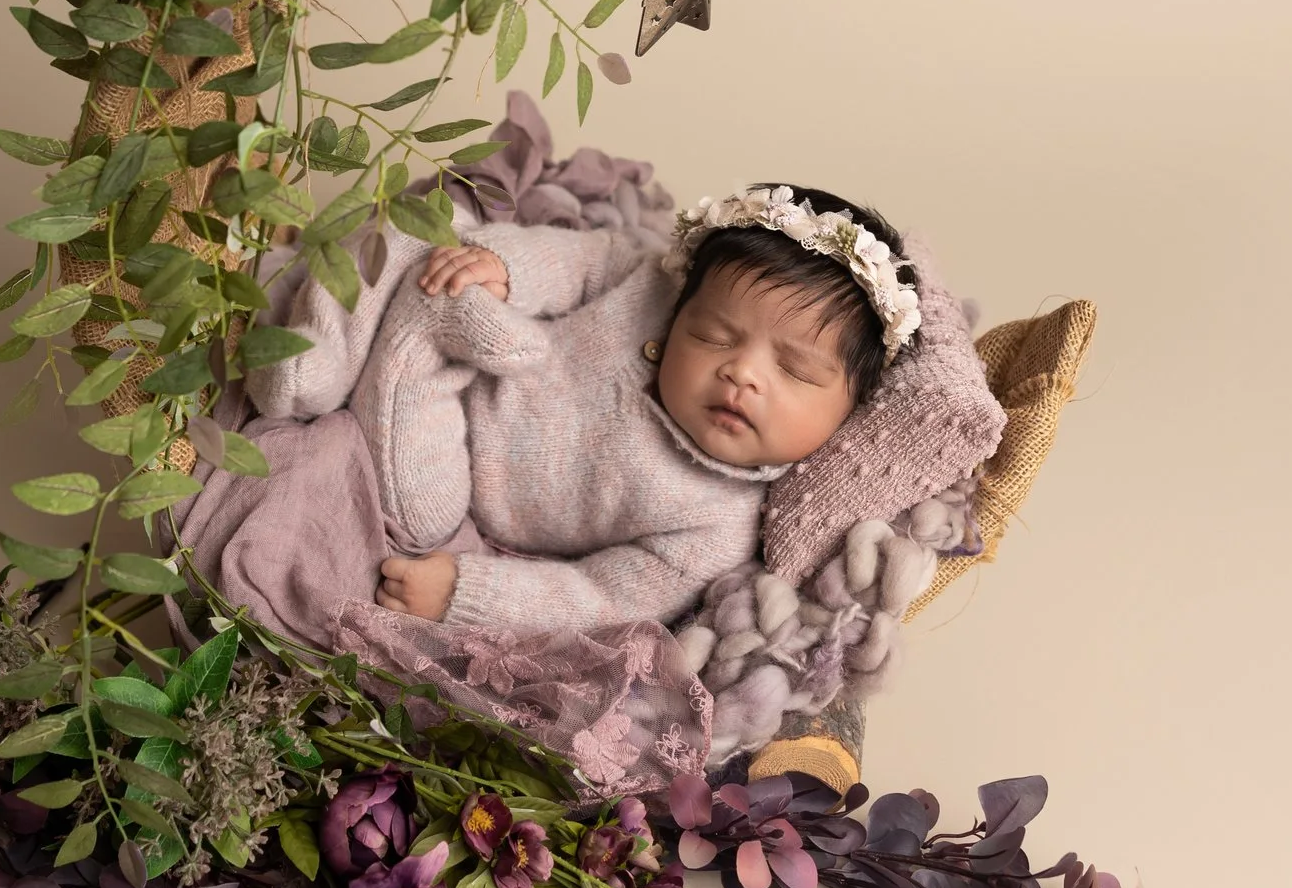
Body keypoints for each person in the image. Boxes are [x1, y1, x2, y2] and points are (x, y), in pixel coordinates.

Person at [245, 184, 922, 633]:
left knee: (421, 493)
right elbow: (583, 261)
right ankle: (325, 350)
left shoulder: (716, 525)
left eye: (795, 369)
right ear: (683, 306)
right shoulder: (649, 285)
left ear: (851, 412)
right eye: (715, 335)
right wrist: (504, 267)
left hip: (451, 488)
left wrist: (466, 591)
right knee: (424, 233)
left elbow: (599, 598)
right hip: (482, 347)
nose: (742, 371)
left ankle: (391, 338)